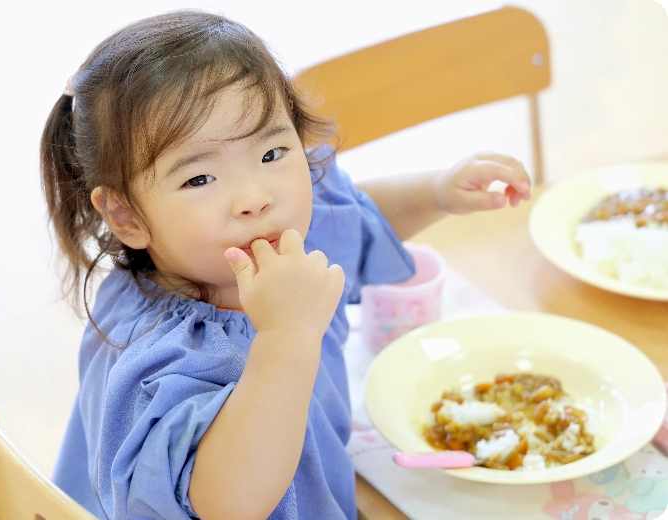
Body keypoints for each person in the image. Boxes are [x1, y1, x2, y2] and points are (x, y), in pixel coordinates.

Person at [40, 9, 531, 520]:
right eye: (200, 180)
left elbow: (355, 220)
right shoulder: (160, 358)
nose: (255, 196)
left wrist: (436, 192)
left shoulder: (278, 238)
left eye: (272, 153)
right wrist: (285, 337)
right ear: (126, 215)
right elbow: (225, 502)